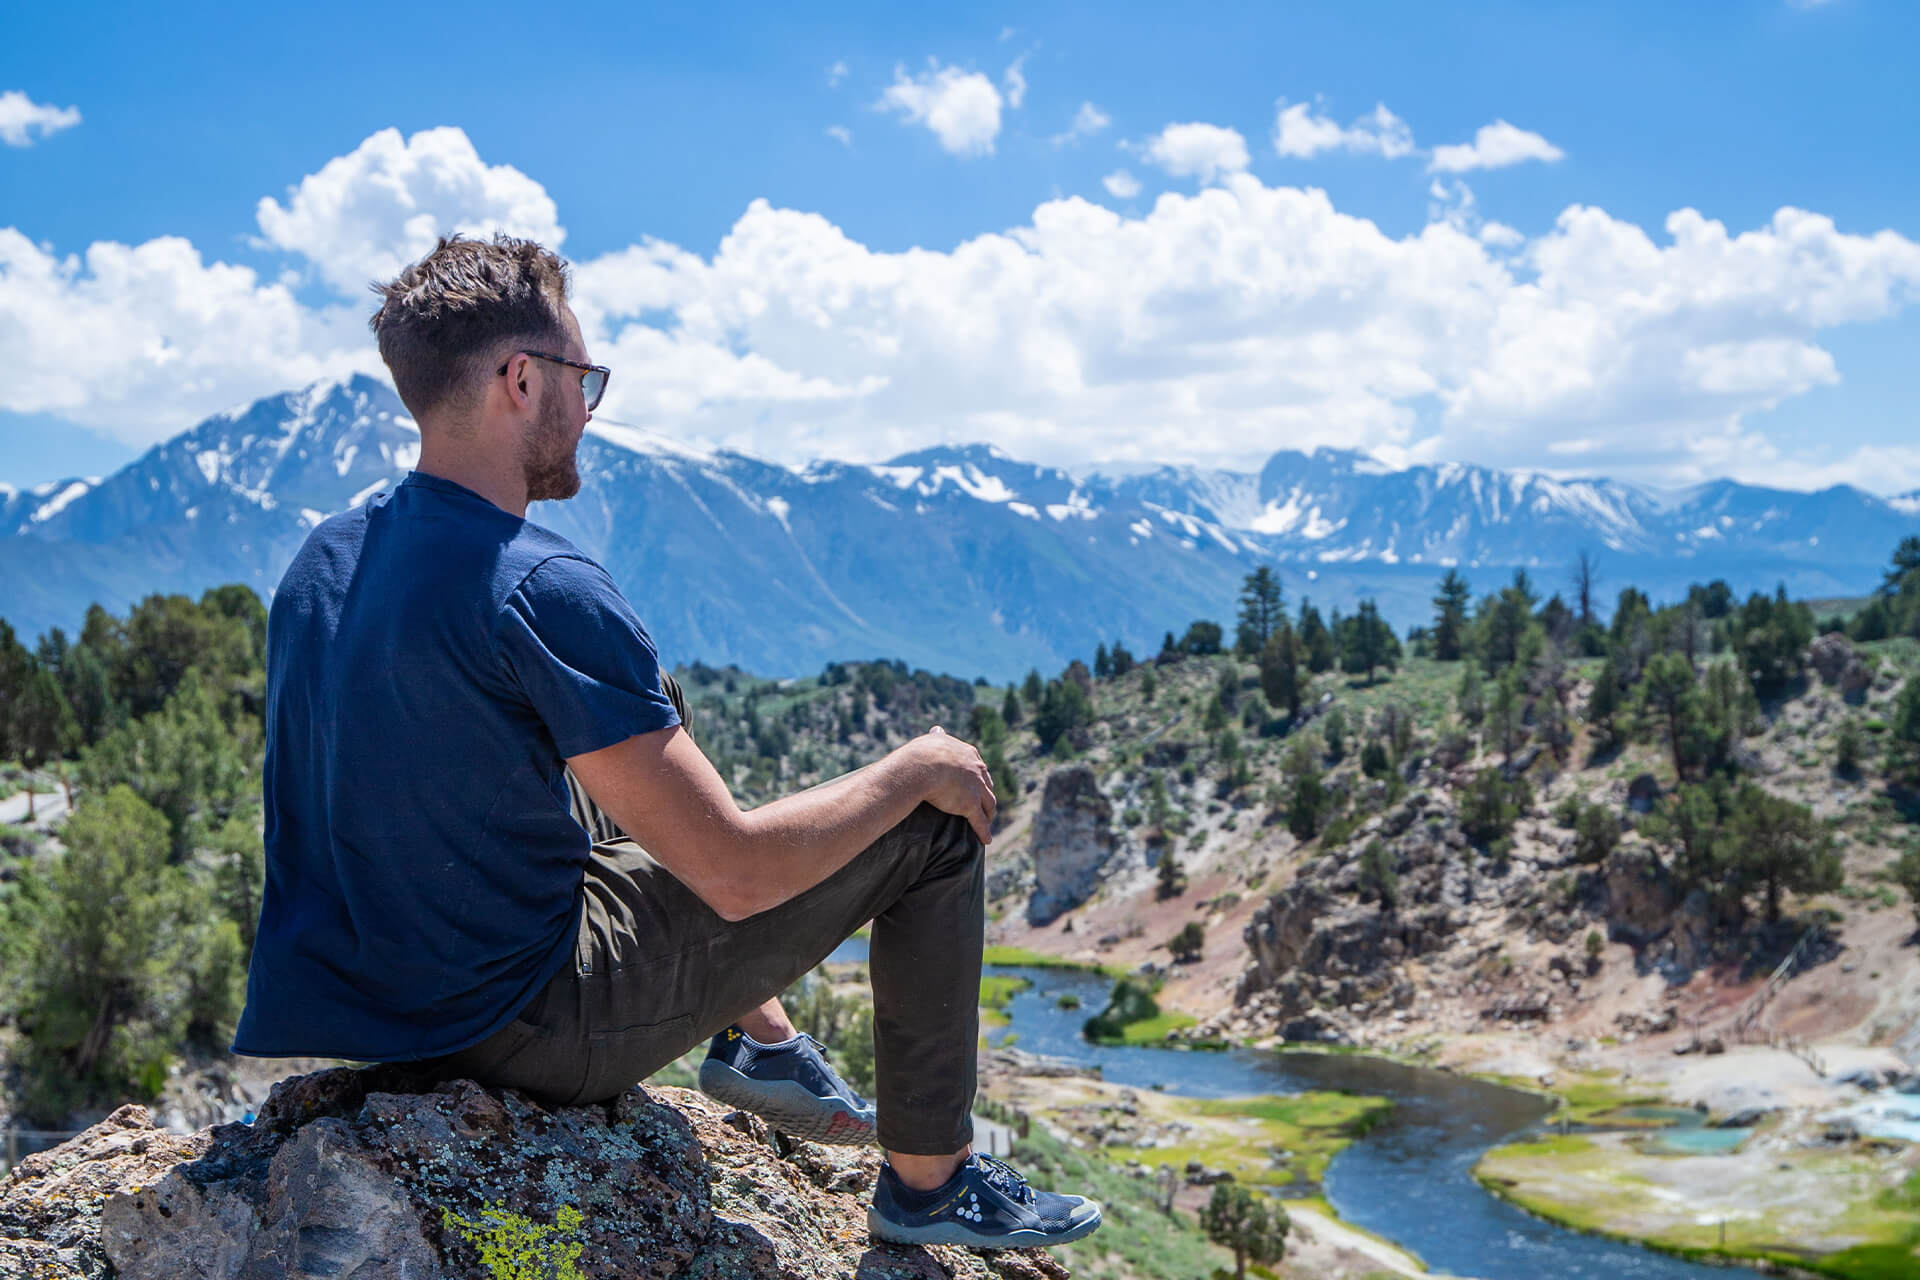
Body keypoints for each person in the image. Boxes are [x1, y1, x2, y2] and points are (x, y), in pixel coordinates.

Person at [230, 233, 1100, 1250]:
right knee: (930, 825)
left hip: (367, 1003)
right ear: (521, 380)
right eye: (581, 378)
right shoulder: (536, 581)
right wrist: (915, 767)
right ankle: (930, 1181)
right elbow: (734, 874)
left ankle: (763, 1035)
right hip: (516, 1021)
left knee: (637, 708)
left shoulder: (321, 558)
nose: (588, 407)